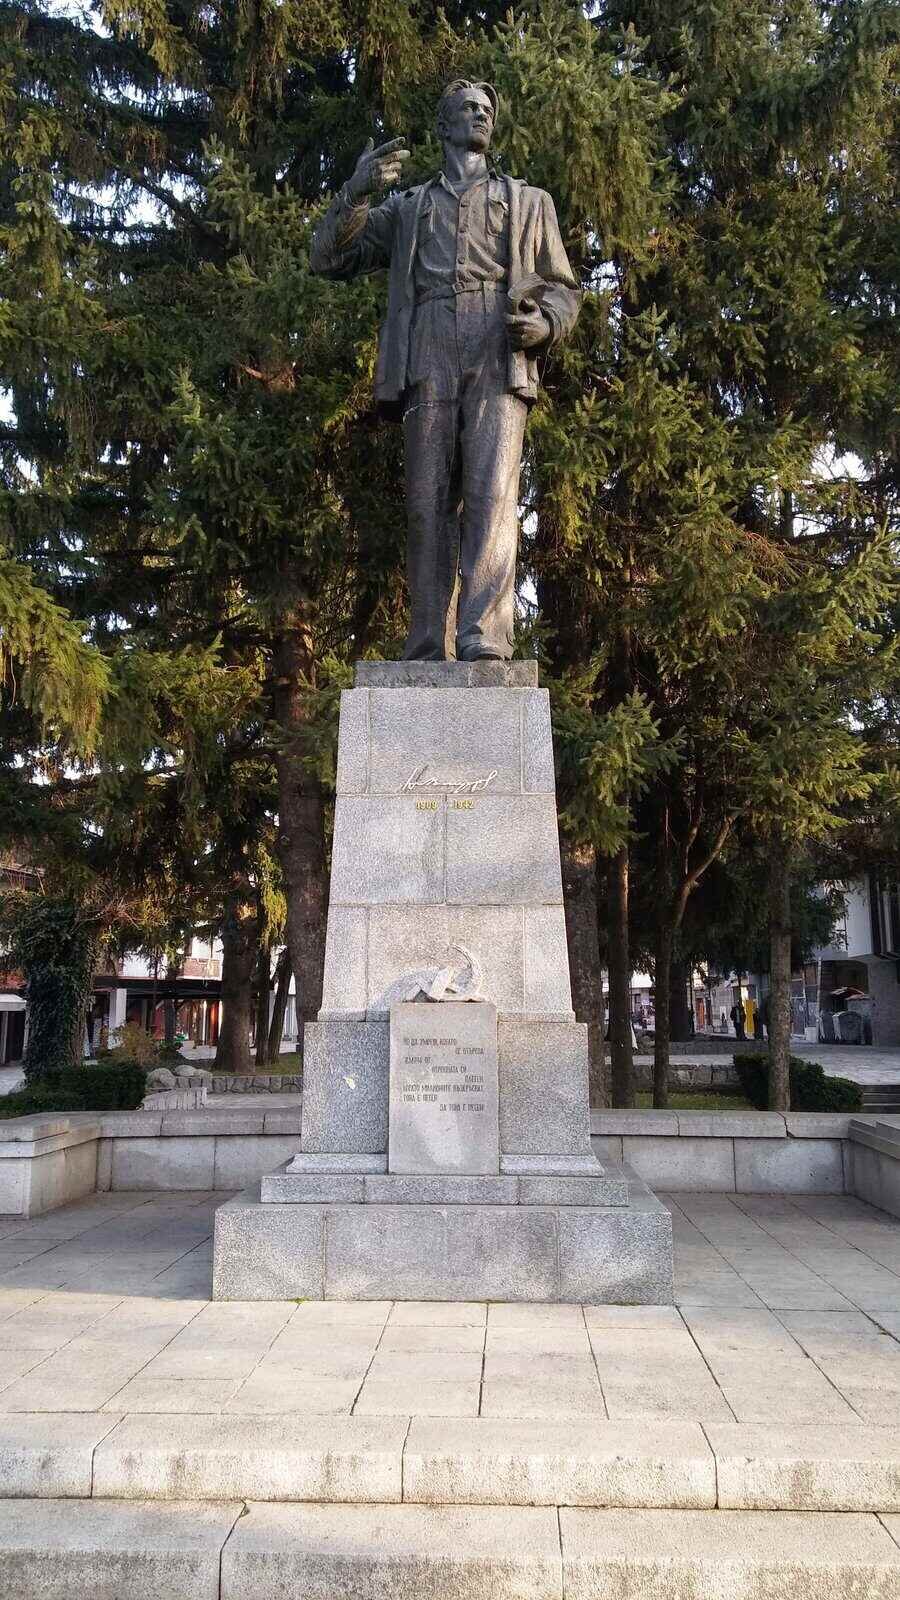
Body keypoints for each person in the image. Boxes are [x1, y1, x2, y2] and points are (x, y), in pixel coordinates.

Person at [310, 80, 581, 661]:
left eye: (487, 110)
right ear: (443, 125)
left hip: (498, 344)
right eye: (468, 108)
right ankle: (427, 637)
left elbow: (562, 289)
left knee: (492, 492)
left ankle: (484, 636)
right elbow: (328, 257)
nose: (481, 115)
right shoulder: (409, 208)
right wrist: (356, 192)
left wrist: (545, 325)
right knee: (426, 499)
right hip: (428, 342)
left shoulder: (529, 202)